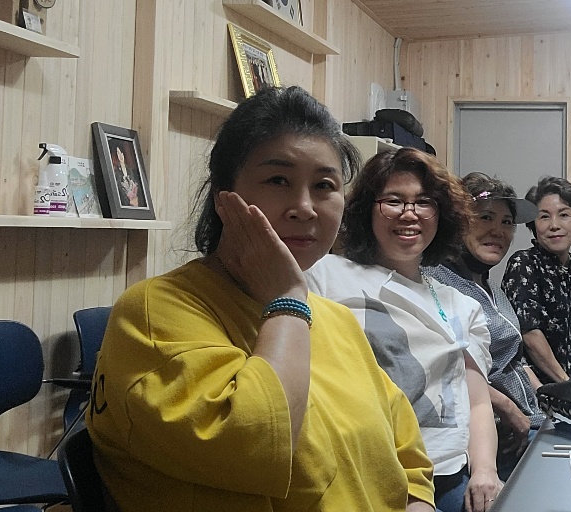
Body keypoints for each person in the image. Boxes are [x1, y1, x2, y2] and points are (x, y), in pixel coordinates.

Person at [88, 86, 434, 512]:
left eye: (324, 185)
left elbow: (403, 441)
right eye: (278, 180)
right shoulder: (154, 311)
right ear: (224, 197)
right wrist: (287, 298)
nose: (305, 207)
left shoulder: (334, 318)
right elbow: (254, 441)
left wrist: (418, 499)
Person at [307, 148, 503, 512]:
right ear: (367, 210)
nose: (409, 213)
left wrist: (484, 472)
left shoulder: (462, 305)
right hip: (360, 476)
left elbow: (476, 400)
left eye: (424, 202)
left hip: (447, 476)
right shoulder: (325, 277)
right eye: (393, 201)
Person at [423, 173, 546, 476]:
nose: (497, 230)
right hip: (492, 439)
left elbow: (513, 360)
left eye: (507, 222)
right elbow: (446, 368)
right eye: (485, 217)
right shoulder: (435, 281)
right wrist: (508, 408)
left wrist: (552, 398)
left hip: (530, 420)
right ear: (458, 220)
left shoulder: (491, 288)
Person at [502, 176, 571, 384]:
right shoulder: (524, 264)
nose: (554, 225)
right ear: (534, 225)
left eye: (564, 215)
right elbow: (530, 335)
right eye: (544, 217)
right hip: (538, 390)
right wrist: (566, 385)